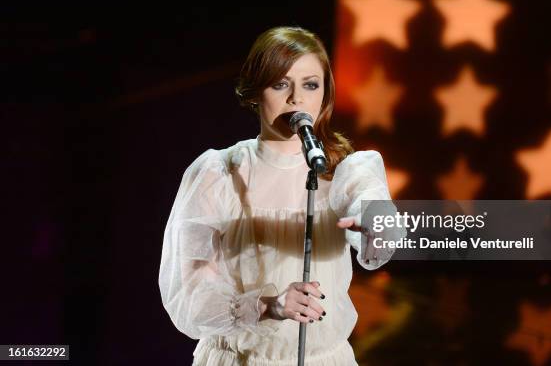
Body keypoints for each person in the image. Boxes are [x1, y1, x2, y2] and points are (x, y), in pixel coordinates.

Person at [158, 26, 406, 365]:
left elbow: (381, 234)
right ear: (256, 91)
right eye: (280, 84)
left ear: (324, 93)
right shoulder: (218, 174)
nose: (296, 98)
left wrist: (375, 226)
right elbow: (187, 298)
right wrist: (268, 306)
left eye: (310, 84)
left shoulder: (345, 171)